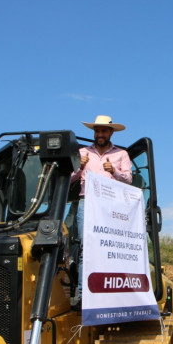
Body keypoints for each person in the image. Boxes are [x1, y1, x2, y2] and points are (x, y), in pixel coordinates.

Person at [68, 115, 132, 306]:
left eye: (104, 130)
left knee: (112, 247)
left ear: (111, 132)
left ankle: (112, 292)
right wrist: (78, 168)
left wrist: (114, 171)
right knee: (86, 248)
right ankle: (82, 295)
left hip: (112, 204)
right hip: (87, 202)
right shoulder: (82, 153)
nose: (100, 134)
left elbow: (129, 180)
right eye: (97, 130)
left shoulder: (121, 154)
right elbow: (68, 179)